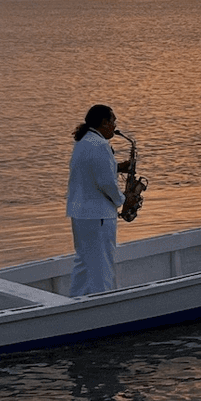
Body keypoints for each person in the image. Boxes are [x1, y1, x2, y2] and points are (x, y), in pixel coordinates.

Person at [67, 104, 142, 296]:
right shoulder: (100, 146)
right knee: (102, 265)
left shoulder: (83, 141)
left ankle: (75, 302)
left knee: (84, 264)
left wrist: (117, 167)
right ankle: (103, 305)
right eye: (113, 121)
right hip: (98, 216)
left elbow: (89, 171)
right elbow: (106, 183)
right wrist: (124, 200)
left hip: (81, 214)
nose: (115, 125)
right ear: (103, 122)